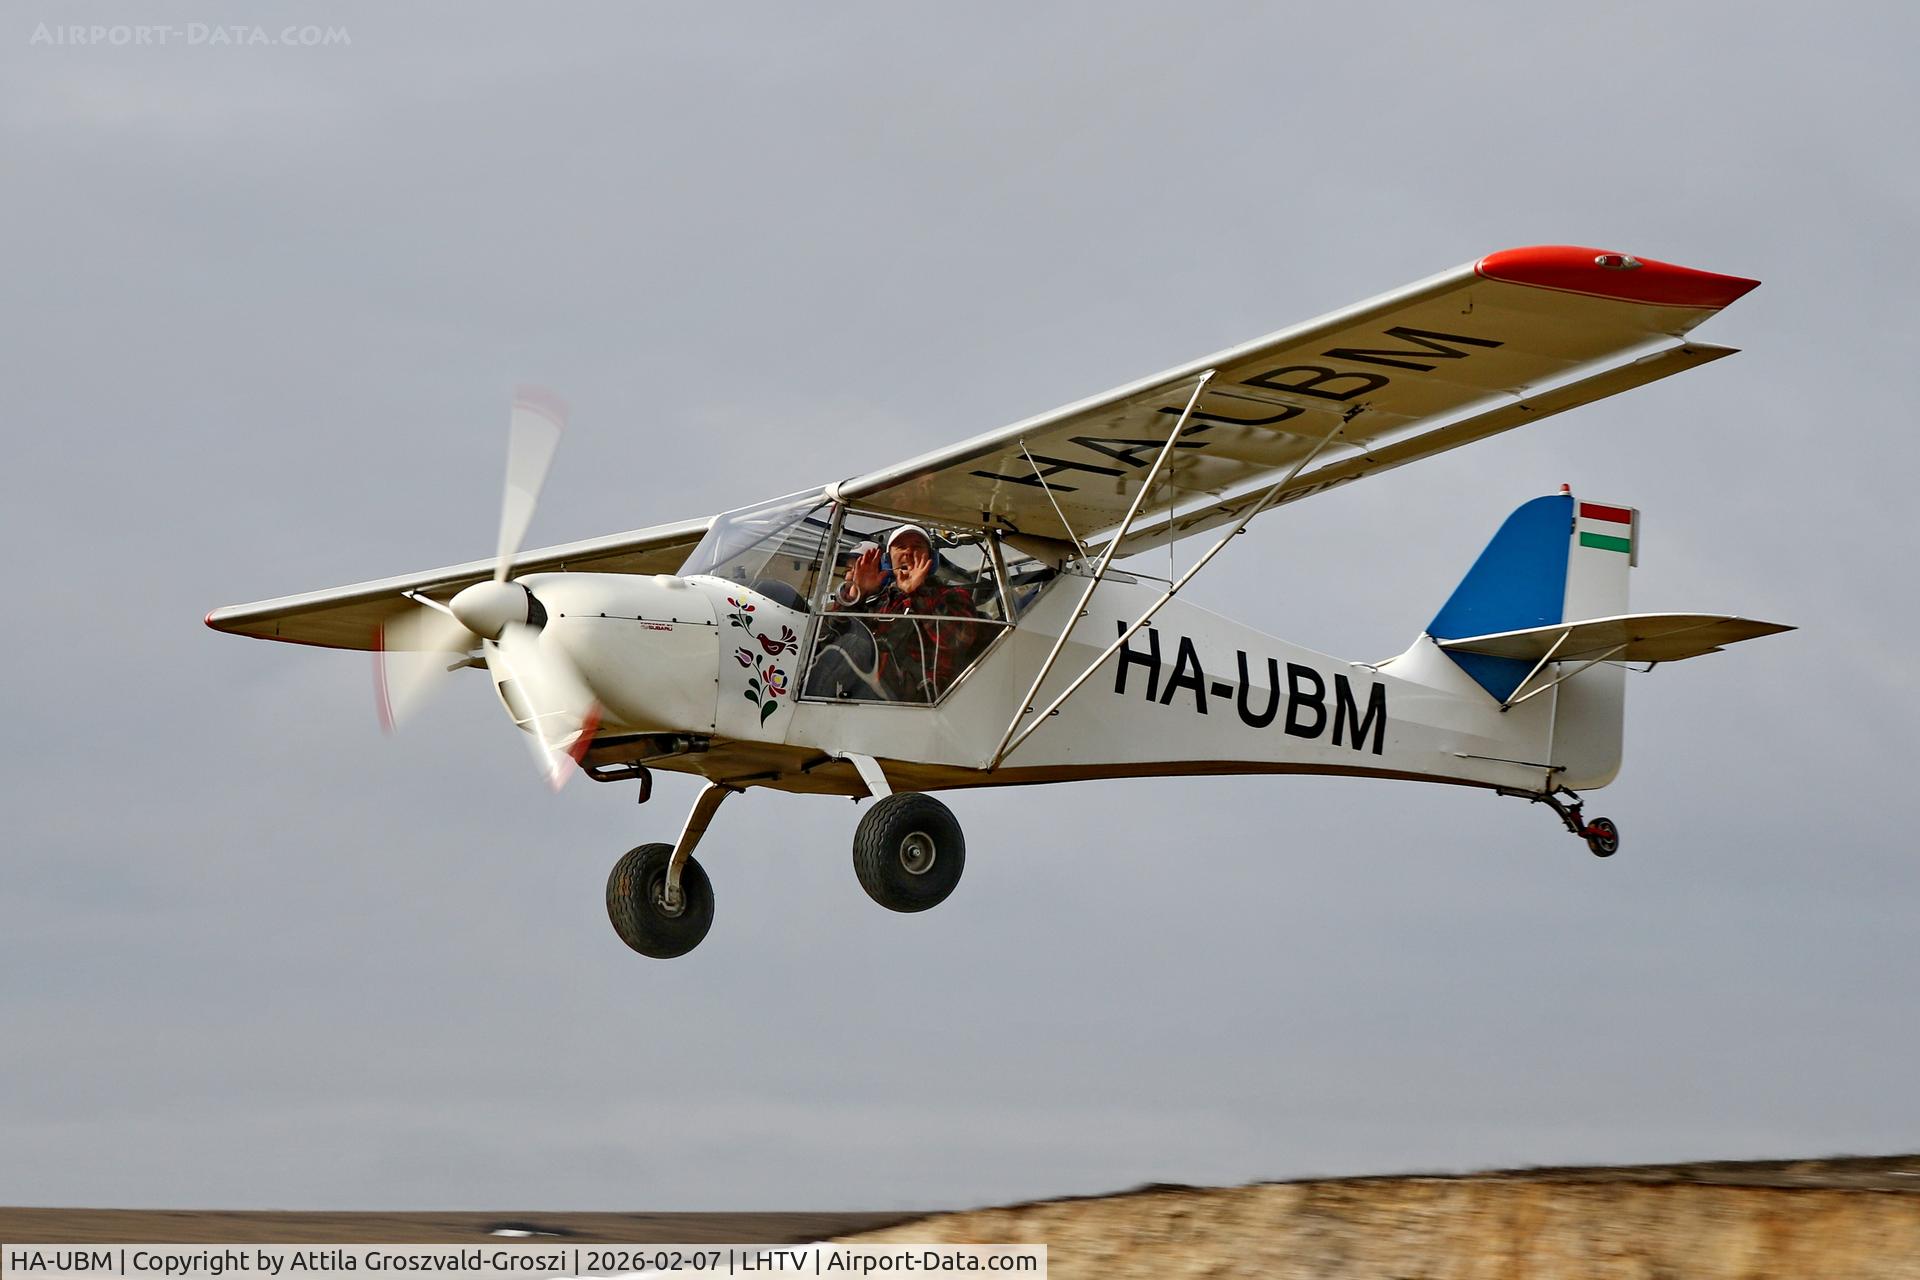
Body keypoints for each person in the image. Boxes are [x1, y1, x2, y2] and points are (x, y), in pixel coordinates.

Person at [825, 524, 982, 702]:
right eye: (900, 547)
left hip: (923, 704)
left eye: (916, 546)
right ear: (888, 560)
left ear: (932, 559)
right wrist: (856, 596)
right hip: (862, 697)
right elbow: (831, 639)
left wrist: (916, 594)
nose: (908, 552)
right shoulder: (881, 600)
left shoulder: (952, 596)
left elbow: (956, 641)